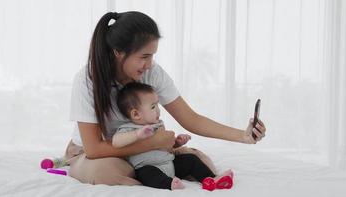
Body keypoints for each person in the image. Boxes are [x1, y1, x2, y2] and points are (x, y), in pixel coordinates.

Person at [65, 11, 266, 186]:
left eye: (152, 56)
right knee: (108, 172)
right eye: (144, 57)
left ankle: (157, 174)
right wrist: (152, 144)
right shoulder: (88, 80)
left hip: (145, 152)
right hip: (97, 153)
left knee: (195, 160)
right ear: (118, 52)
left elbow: (191, 119)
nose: (150, 64)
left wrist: (243, 136)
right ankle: (154, 175)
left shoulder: (152, 74)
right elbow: (93, 149)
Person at [111, 82, 233, 190]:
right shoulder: (129, 129)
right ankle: (168, 184)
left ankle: (211, 179)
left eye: (158, 105)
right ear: (136, 114)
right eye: (153, 107)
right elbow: (116, 142)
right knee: (147, 174)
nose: (158, 110)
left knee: (191, 159)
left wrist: (177, 143)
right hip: (148, 167)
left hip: (170, 163)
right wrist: (137, 134)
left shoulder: (158, 125)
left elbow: (166, 147)